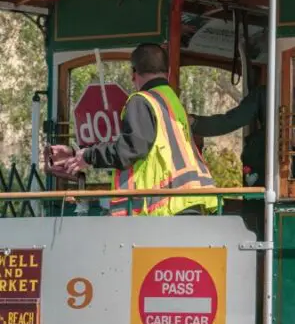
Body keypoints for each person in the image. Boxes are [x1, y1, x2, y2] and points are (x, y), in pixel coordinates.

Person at [47, 43, 218, 217]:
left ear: (134, 74)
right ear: (167, 71)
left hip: (166, 208)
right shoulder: (172, 101)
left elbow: (130, 150)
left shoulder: (142, 100)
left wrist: (88, 156)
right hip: (189, 201)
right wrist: (78, 153)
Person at [189, 54, 295, 187]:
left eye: (288, 58)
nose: (280, 64)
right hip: (267, 170)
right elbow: (232, 120)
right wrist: (195, 123)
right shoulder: (264, 93)